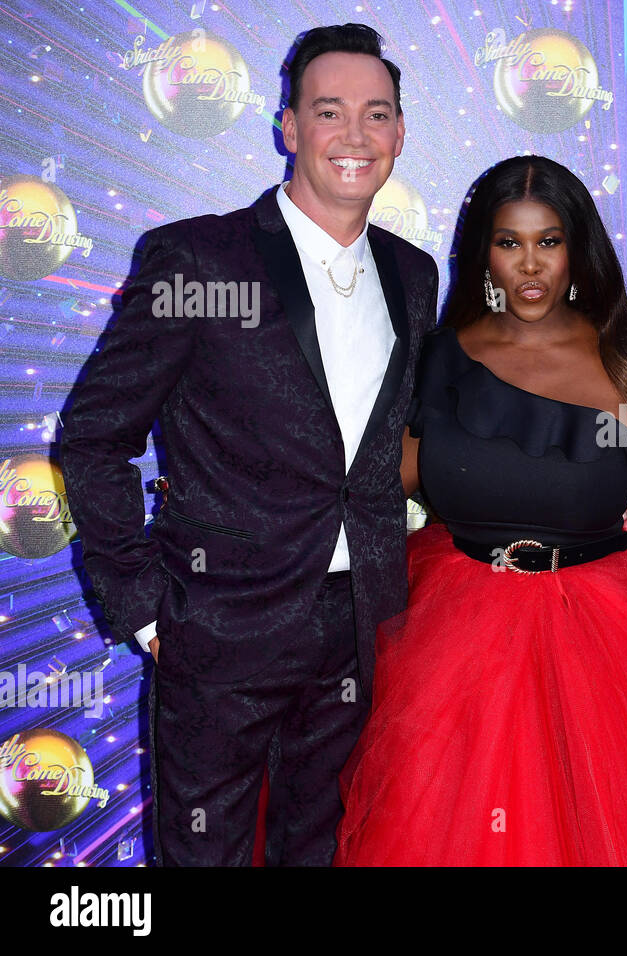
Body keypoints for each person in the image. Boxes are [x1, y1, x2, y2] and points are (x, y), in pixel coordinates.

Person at [333, 155, 627, 866]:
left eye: (548, 241)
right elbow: (376, 479)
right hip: (454, 641)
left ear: (577, 249)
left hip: (606, 643)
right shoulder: (439, 358)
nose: (530, 264)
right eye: (509, 242)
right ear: (483, 251)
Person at [60, 24, 438, 865]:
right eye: (329, 111)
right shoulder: (200, 258)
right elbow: (93, 439)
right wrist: (147, 608)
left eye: (376, 115)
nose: (354, 136)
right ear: (287, 126)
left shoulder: (415, 275)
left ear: (401, 135)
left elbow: (393, 447)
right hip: (219, 620)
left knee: (324, 846)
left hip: (360, 623)